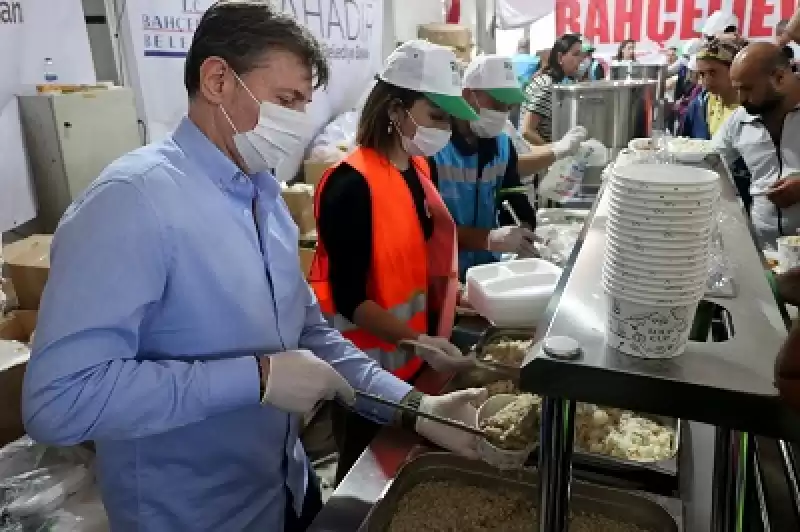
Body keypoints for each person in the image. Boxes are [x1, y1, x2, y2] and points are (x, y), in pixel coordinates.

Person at [21, 5, 487, 531]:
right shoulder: (132, 203)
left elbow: (313, 334)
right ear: (218, 79)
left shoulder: (263, 196)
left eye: (304, 104)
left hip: (282, 485)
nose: (297, 121)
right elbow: (58, 402)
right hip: (191, 515)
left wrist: (415, 406)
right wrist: (255, 377)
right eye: (286, 100)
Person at [310, 40, 483, 486]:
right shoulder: (350, 185)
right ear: (394, 109)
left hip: (416, 361)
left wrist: (451, 302)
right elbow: (349, 298)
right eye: (436, 116)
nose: (445, 129)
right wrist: (416, 339)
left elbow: (413, 260)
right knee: (364, 481)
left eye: (449, 118)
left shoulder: (419, 170)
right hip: (364, 374)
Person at [428, 54, 587, 279]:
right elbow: (426, 226)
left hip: (486, 272)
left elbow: (514, 197)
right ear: (467, 95)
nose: (503, 112)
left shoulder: (501, 145)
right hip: (442, 275)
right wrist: (487, 238)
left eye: (508, 106)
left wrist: (523, 231)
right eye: (497, 104)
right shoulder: (435, 148)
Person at [712, 42, 800, 247]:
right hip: (763, 249)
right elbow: (711, 159)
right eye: (737, 89)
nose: (741, 99)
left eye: (748, 89)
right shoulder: (739, 120)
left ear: (779, 78)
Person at [680, 37, 753, 210]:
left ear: (734, 70)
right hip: (703, 197)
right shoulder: (699, 105)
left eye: (713, 72)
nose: (705, 81)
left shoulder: (752, 111)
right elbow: (683, 146)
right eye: (702, 74)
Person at [521, 33, 583, 146]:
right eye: (576, 54)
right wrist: (553, 153)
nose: (580, 59)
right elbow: (527, 131)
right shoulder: (547, 86)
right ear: (560, 57)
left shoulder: (554, 82)